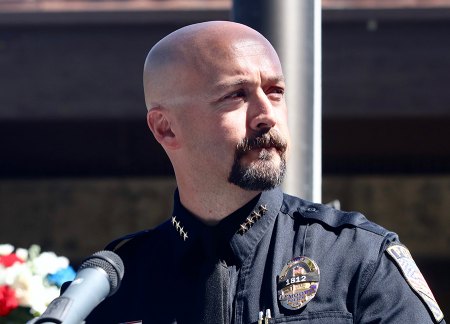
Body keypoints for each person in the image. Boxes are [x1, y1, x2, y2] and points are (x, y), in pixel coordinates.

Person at [87, 21, 445, 323]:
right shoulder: (116, 282)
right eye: (236, 95)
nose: (266, 115)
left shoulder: (356, 258)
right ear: (165, 128)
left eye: (275, 92)